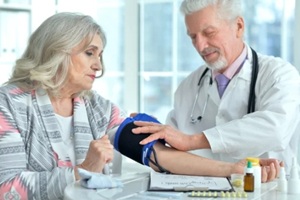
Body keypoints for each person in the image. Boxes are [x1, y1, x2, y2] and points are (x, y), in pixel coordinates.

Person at [0, 11, 283, 200]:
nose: (99, 66)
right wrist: (80, 171)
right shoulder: (10, 104)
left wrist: (233, 169)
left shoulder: (97, 107)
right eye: (89, 53)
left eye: (100, 55)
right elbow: (5, 188)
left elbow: (156, 153)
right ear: (56, 51)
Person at [132, 0, 300, 179]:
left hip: (269, 191)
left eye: (209, 33)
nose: (200, 45)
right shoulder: (188, 88)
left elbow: (275, 130)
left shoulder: (278, 75)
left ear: (238, 26)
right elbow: (169, 153)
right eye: (193, 37)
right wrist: (154, 133)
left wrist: (192, 141)